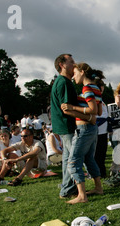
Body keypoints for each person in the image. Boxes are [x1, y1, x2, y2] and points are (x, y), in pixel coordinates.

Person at [60, 63, 104, 204]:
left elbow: (94, 110)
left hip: (84, 130)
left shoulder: (87, 88)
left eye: (75, 73)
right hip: (92, 129)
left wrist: (72, 108)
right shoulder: (96, 88)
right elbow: (100, 110)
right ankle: (98, 188)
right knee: (89, 159)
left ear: (82, 71)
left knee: (72, 162)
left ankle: (81, 196)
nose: (73, 77)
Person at [50, 54, 78, 198]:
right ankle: (67, 189)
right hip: (67, 125)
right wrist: (86, 116)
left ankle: (67, 187)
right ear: (62, 64)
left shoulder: (62, 81)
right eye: (71, 62)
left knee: (68, 158)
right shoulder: (64, 82)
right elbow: (67, 108)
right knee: (73, 157)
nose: (74, 64)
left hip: (63, 125)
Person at [95, 82, 110, 179]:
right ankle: (98, 173)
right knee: (97, 153)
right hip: (98, 130)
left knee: (102, 153)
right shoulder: (95, 99)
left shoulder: (101, 100)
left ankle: (102, 172)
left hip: (103, 130)